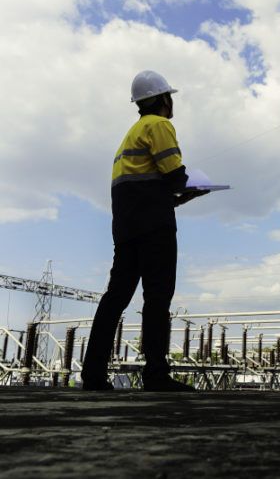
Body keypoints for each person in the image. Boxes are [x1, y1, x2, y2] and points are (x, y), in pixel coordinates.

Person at [81, 70, 204, 391]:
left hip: (126, 226)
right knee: (157, 296)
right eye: (170, 96)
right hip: (155, 227)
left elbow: (145, 189)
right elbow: (175, 176)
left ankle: (92, 375)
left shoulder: (130, 134)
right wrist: (195, 187)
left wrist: (177, 197)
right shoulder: (159, 125)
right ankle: (156, 374)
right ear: (164, 99)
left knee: (116, 297)